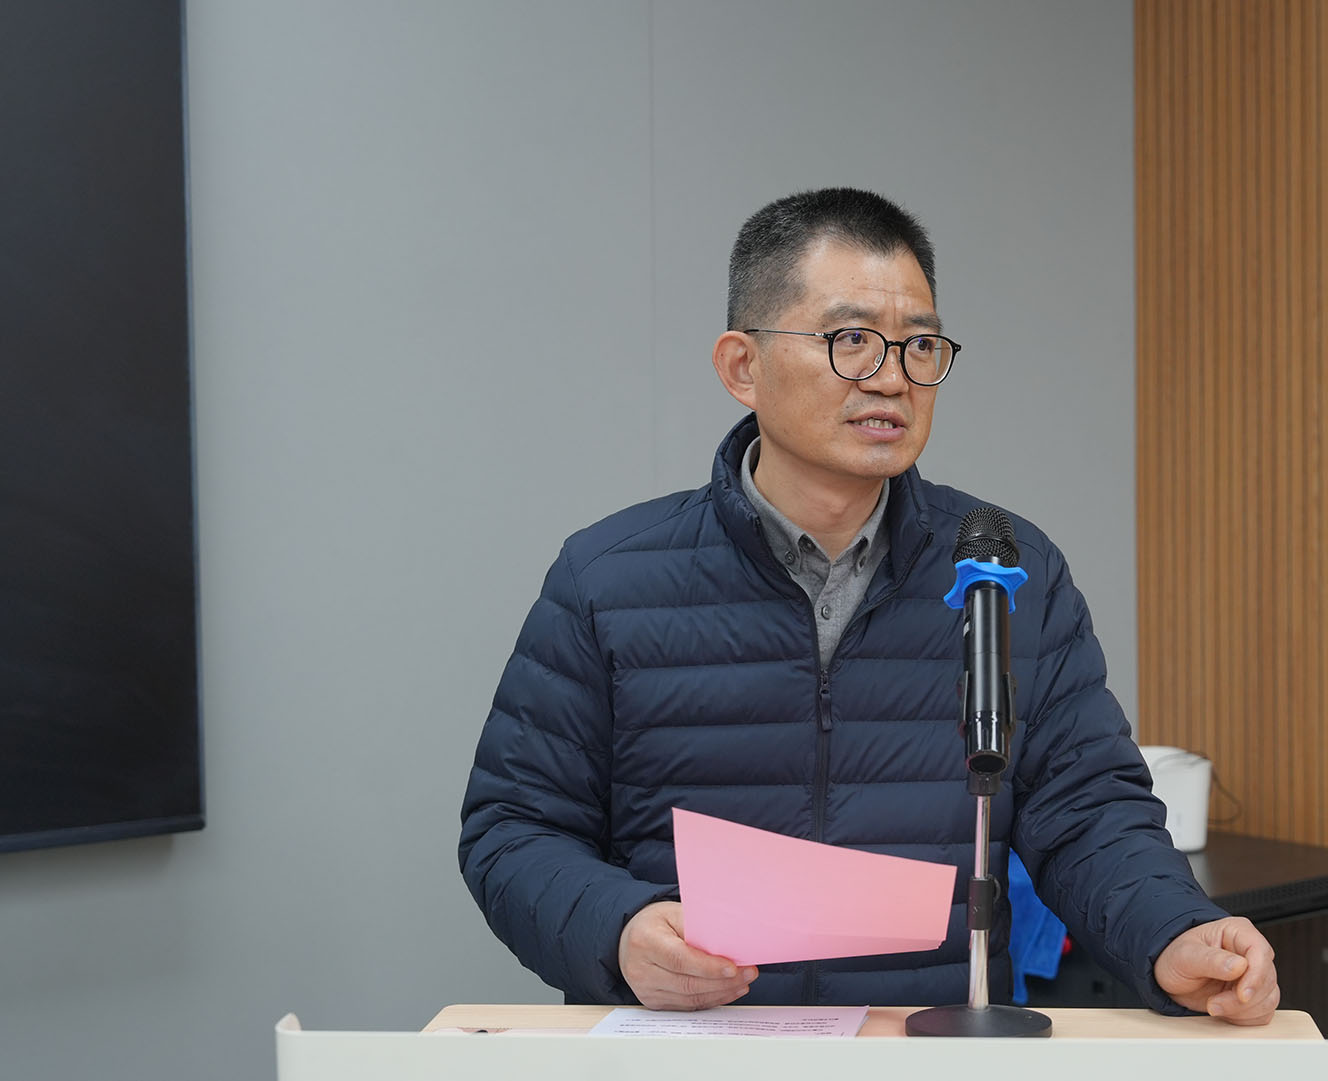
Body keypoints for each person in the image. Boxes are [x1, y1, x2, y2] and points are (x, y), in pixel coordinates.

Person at [458, 187, 1279, 1023]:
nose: (892, 378)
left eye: (919, 345)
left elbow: (1088, 813)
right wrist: (620, 928)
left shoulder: (1007, 571)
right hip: (692, 1044)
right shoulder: (608, 579)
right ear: (742, 366)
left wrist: (1174, 930)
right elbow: (514, 829)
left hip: (924, 1044)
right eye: (851, 340)